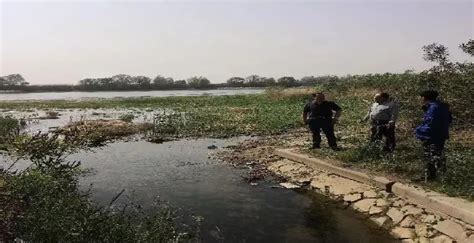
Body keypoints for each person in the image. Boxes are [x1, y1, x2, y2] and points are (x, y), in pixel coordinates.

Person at [415, 90, 452, 181]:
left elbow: (430, 124)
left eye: (422, 97)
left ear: (425, 97)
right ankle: (437, 176)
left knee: (431, 155)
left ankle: (431, 177)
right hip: (440, 135)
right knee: (436, 155)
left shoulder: (433, 108)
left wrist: (418, 130)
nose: (421, 99)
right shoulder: (441, 106)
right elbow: (449, 119)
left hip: (432, 136)